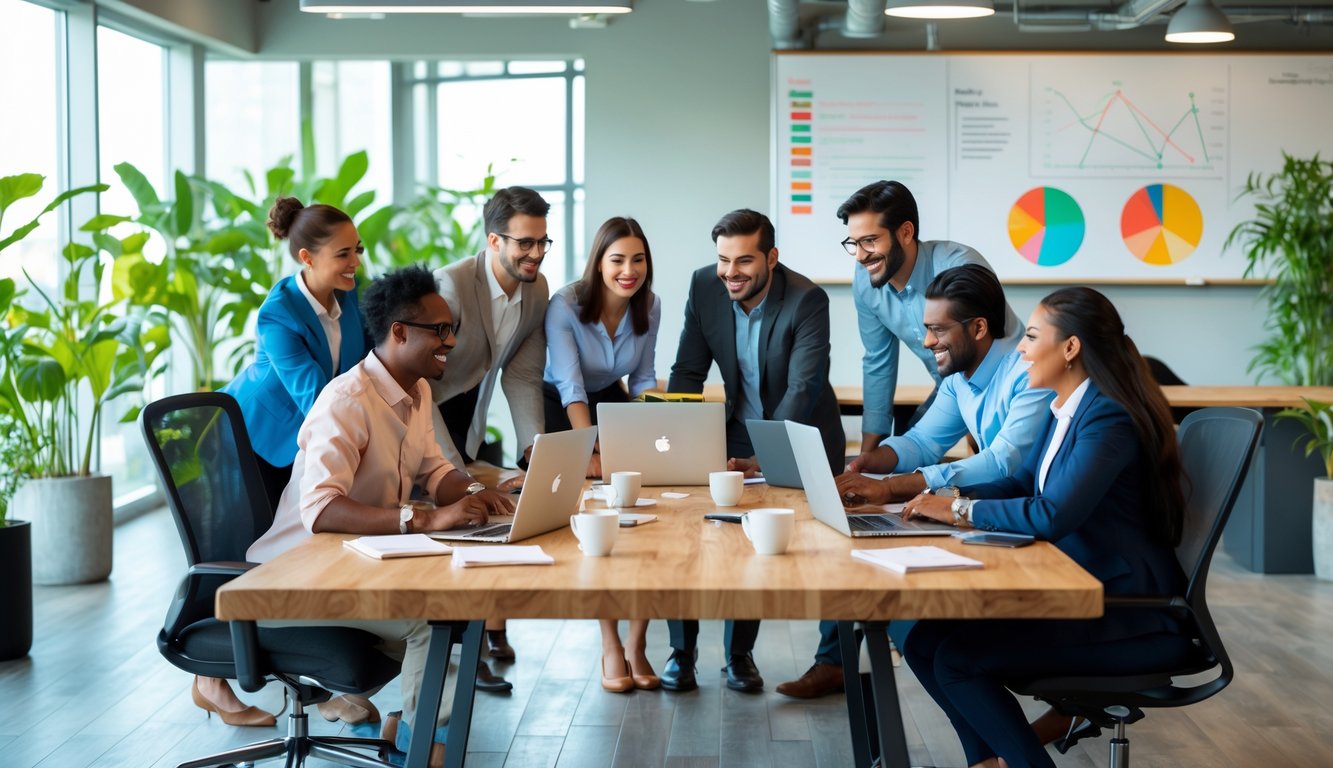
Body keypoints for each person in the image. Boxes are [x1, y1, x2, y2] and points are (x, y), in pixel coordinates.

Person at [897, 287, 1188, 768]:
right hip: (1083, 583)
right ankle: (993, 762)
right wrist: (943, 499)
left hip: (1125, 611)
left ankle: (1010, 762)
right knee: (922, 637)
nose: (1023, 349)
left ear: (1070, 348)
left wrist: (957, 514)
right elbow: (1020, 483)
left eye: (1032, 336)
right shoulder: (1065, 409)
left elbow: (1052, 513)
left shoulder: (1107, 418)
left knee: (957, 661)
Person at [247, 266, 518, 768]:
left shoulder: (415, 392)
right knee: (427, 619)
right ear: (399, 332)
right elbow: (322, 510)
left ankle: (409, 731)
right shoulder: (346, 402)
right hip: (293, 577)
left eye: (450, 328)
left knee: (458, 604)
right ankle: (424, 751)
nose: (451, 341)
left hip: (355, 562)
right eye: (440, 330)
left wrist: (487, 495)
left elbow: (438, 472)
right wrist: (424, 521)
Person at [776, 265, 1055, 700]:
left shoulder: (1027, 374)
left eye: (937, 330)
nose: (927, 343)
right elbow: (923, 440)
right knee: (899, 614)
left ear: (979, 328)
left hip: (1025, 528)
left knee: (916, 628)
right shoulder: (961, 376)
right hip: (983, 518)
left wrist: (891, 487)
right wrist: (869, 463)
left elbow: (1003, 462)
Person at [203, 197, 368, 727]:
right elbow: (318, 398)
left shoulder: (352, 297)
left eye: (358, 250)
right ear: (306, 257)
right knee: (248, 553)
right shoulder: (279, 313)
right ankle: (211, 679)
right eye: (343, 254)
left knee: (313, 550)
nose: (356, 263)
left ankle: (324, 682)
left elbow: (364, 370)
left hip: (307, 441)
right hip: (254, 442)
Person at [664, 208, 844, 694]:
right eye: (723, 260)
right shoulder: (705, 286)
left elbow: (803, 388)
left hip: (799, 433)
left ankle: (739, 656)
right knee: (686, 533)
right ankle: (681, 654)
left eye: (744, 261)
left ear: (772, 257)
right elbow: (687, 370)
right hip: (733, 429)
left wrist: (765, 459)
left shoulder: (808, 300)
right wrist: (678, 446)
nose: (730, 273)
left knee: (760, 542)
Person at [430, 186, 552, 663]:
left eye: (543, 242)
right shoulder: (453, 285)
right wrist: (451, 470)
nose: (536, 253)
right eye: (525, 243)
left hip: (471, 421)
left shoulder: (536, 289)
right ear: (494, 241)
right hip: (430, 418)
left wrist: (533, 447)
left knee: (482, 523)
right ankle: (453, 651)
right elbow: (420, 382)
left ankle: (476, 642)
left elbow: (521, 372)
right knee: (448, 525)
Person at [543, 216, 662, 693]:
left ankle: (638, 643)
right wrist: (589, 453)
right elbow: (571, 388)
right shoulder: (565, 306)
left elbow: (646, 379)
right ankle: (610, 642)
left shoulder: (649, 306)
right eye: (617, 260)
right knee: (598, 523)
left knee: (648, 515)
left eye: (637, 259)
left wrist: (652, 437)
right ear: (598, 263)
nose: (628, 270)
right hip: (563, 408)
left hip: (612, 399)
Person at [839, 180, 1020, 457]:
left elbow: (988, 350)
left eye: (870, 241)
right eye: (854, 243)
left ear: (906, 232)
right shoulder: (866, 282)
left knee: (997, 469)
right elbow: (878, 362)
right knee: (900, 453)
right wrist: (867, 456)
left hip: (1004, 380)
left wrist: (975, 425)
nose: (861, 256)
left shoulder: (958, 267)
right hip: (949, 385)